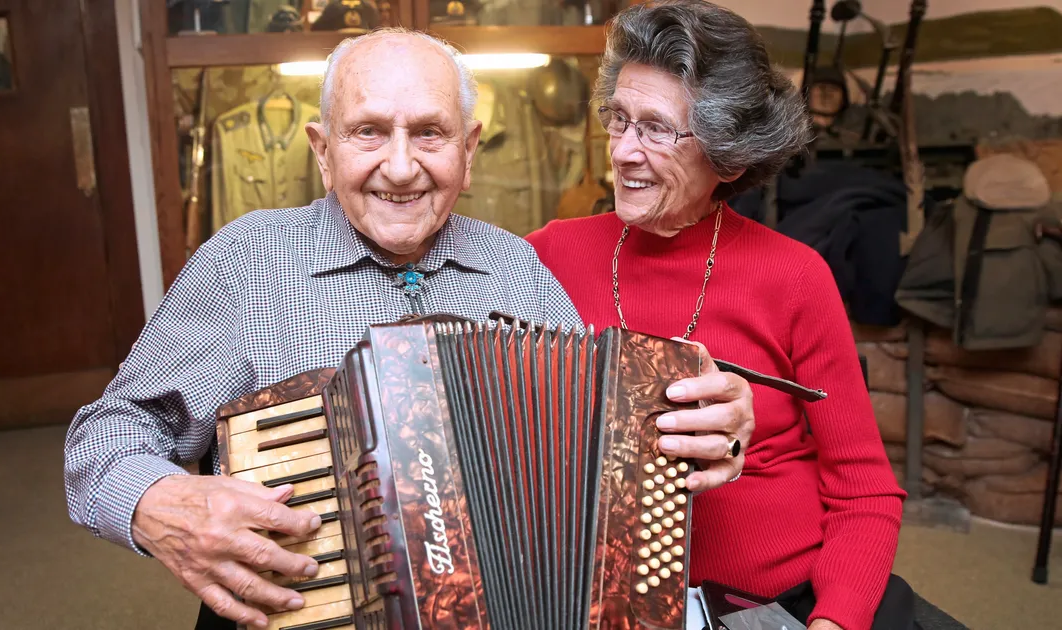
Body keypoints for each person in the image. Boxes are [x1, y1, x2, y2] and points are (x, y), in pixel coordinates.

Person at [64, 28, 755, 629]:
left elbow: (610, 464)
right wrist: (159, 504)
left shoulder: (517, 267)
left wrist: (703, 431)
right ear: (322, 149)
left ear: (470, 147)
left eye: (429, 132)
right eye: (368, 131)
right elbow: (105, 436)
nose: (400, 167)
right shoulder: (248, 262)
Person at [526, 2, 911, 630]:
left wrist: (834, 621)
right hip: (587, 600)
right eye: (618, 118)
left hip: (769, 603)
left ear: (730, 157)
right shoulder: (546, 255)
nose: (622, 151)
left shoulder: (795, 275)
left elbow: (864, 489)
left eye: (656, 129)